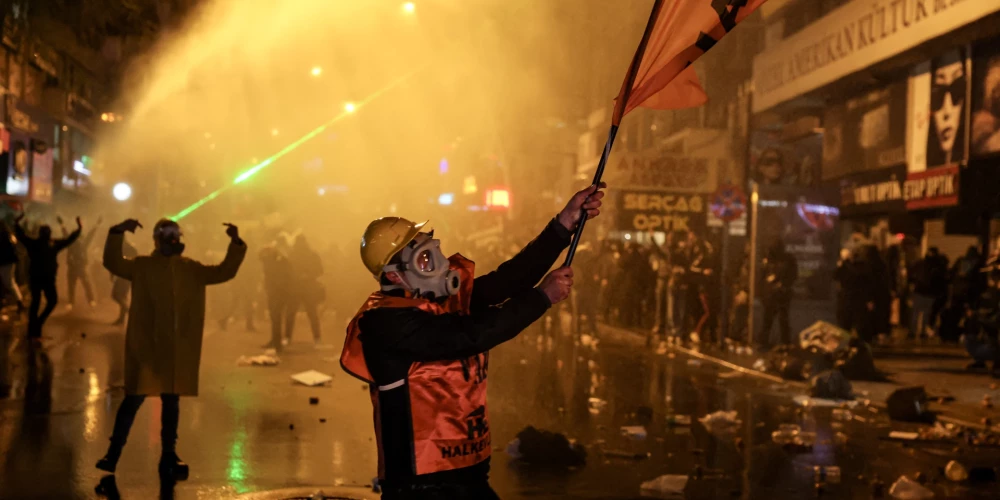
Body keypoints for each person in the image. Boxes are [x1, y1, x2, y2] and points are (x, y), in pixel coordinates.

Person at [341, 184, 604, 500]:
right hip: (420, 485)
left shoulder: (441, 302)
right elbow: (471, 335)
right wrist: (542, 297)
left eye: (435, 251)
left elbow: (509, 279)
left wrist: (563, 225)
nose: (440, 264)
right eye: (426, 260)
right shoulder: (385, 321)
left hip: (471, 473)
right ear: (395, 276)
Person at [96, 218, 246, 479]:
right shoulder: (143, 266)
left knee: (169, 401)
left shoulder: (190, 269)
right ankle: (114, 454)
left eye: (173, 234)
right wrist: (116, 231)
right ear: (157, 240)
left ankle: (167, 456)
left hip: (174, 349)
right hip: (148, 347)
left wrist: (235, 243)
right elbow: (113, 261)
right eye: (167, 235)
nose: (171, 239)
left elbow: (224, 271)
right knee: (134, 400)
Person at [14, 214, 81, 340]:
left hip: (35, 277)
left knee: (36, 302)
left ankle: (33, 329)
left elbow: (21, 236)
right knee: (51, 301)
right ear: (49, 234)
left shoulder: (33, 243)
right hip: (47, 278)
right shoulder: (53, 244)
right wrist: (79, 228)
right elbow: (69, 240)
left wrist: (17, 223)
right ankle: (38, 324)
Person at [285, 234, 325, 345]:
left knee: (291, 314)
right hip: (308, 288)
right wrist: (309, 275)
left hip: (296, 288)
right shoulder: (312, 255)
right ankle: (317, 338)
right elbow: (320, 270)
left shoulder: (292, 255)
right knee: (312, 314)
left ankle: (288, 337)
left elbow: (286, 272)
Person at [758, 240, 797, 348]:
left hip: (782, 293)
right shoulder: (769, 260)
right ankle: (765, 342)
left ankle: (785, 342)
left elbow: (793, 275)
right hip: (771, 294)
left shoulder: (788, 260)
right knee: (768, 320)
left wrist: (783, 284)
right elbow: (762, 277)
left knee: (782, 319)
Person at [259, 236, 292, 352]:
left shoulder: (278, 260)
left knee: (276, 317)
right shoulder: (276, 260)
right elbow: (260, 256)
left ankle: (277, 342)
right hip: (275, 292)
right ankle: (275, 340)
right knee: (275, 318)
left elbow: (283, 277)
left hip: (278, 292)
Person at [909, 247, 949, 339]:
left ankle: (912, 331)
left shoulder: (920, 263)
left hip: (919, 291)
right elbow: (941, 280)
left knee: (916, 312)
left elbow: (911, 274)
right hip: (930, 293)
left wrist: (912, 284)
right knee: (926, 314)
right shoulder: (937, 266)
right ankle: (922, 332)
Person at [65, 217, 102, 310]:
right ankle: (72, 302)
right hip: (74, 267)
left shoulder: (82, 243)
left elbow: (90, 235)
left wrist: (97, 225)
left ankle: (90, 300)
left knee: (85, 284)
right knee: (74, 285)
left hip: (80, 267)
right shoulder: (72, 243)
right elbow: (90, 235)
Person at [110, 236, 138, 326]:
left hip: (123, 276)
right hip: (127, 276)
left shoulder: (120, 248)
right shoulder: (131, 248)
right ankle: (121, 319)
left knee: (116, 295)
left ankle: (129, 311)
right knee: (123, 296)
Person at [0, 220, 24, 311]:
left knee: (9, 282)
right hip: (7, 261)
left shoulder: (5, 236)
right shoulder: (9, 235)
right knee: (8, 282)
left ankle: (19, 301)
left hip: (6, 262)